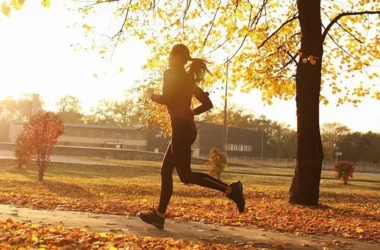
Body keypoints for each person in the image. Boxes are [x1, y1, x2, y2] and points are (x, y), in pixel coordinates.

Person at [138, 44, 245, 229]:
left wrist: (151, 96)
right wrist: (191, 113)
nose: (168, 58)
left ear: (177, 57)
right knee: (166, 171)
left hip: (181, 128)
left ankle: (231, 189)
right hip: (185, 127)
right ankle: (159, 216)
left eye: (170, 55)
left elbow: (167, 98)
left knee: (186, 176)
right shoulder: (189, 80)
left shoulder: (171, 73)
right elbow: (208, 103)